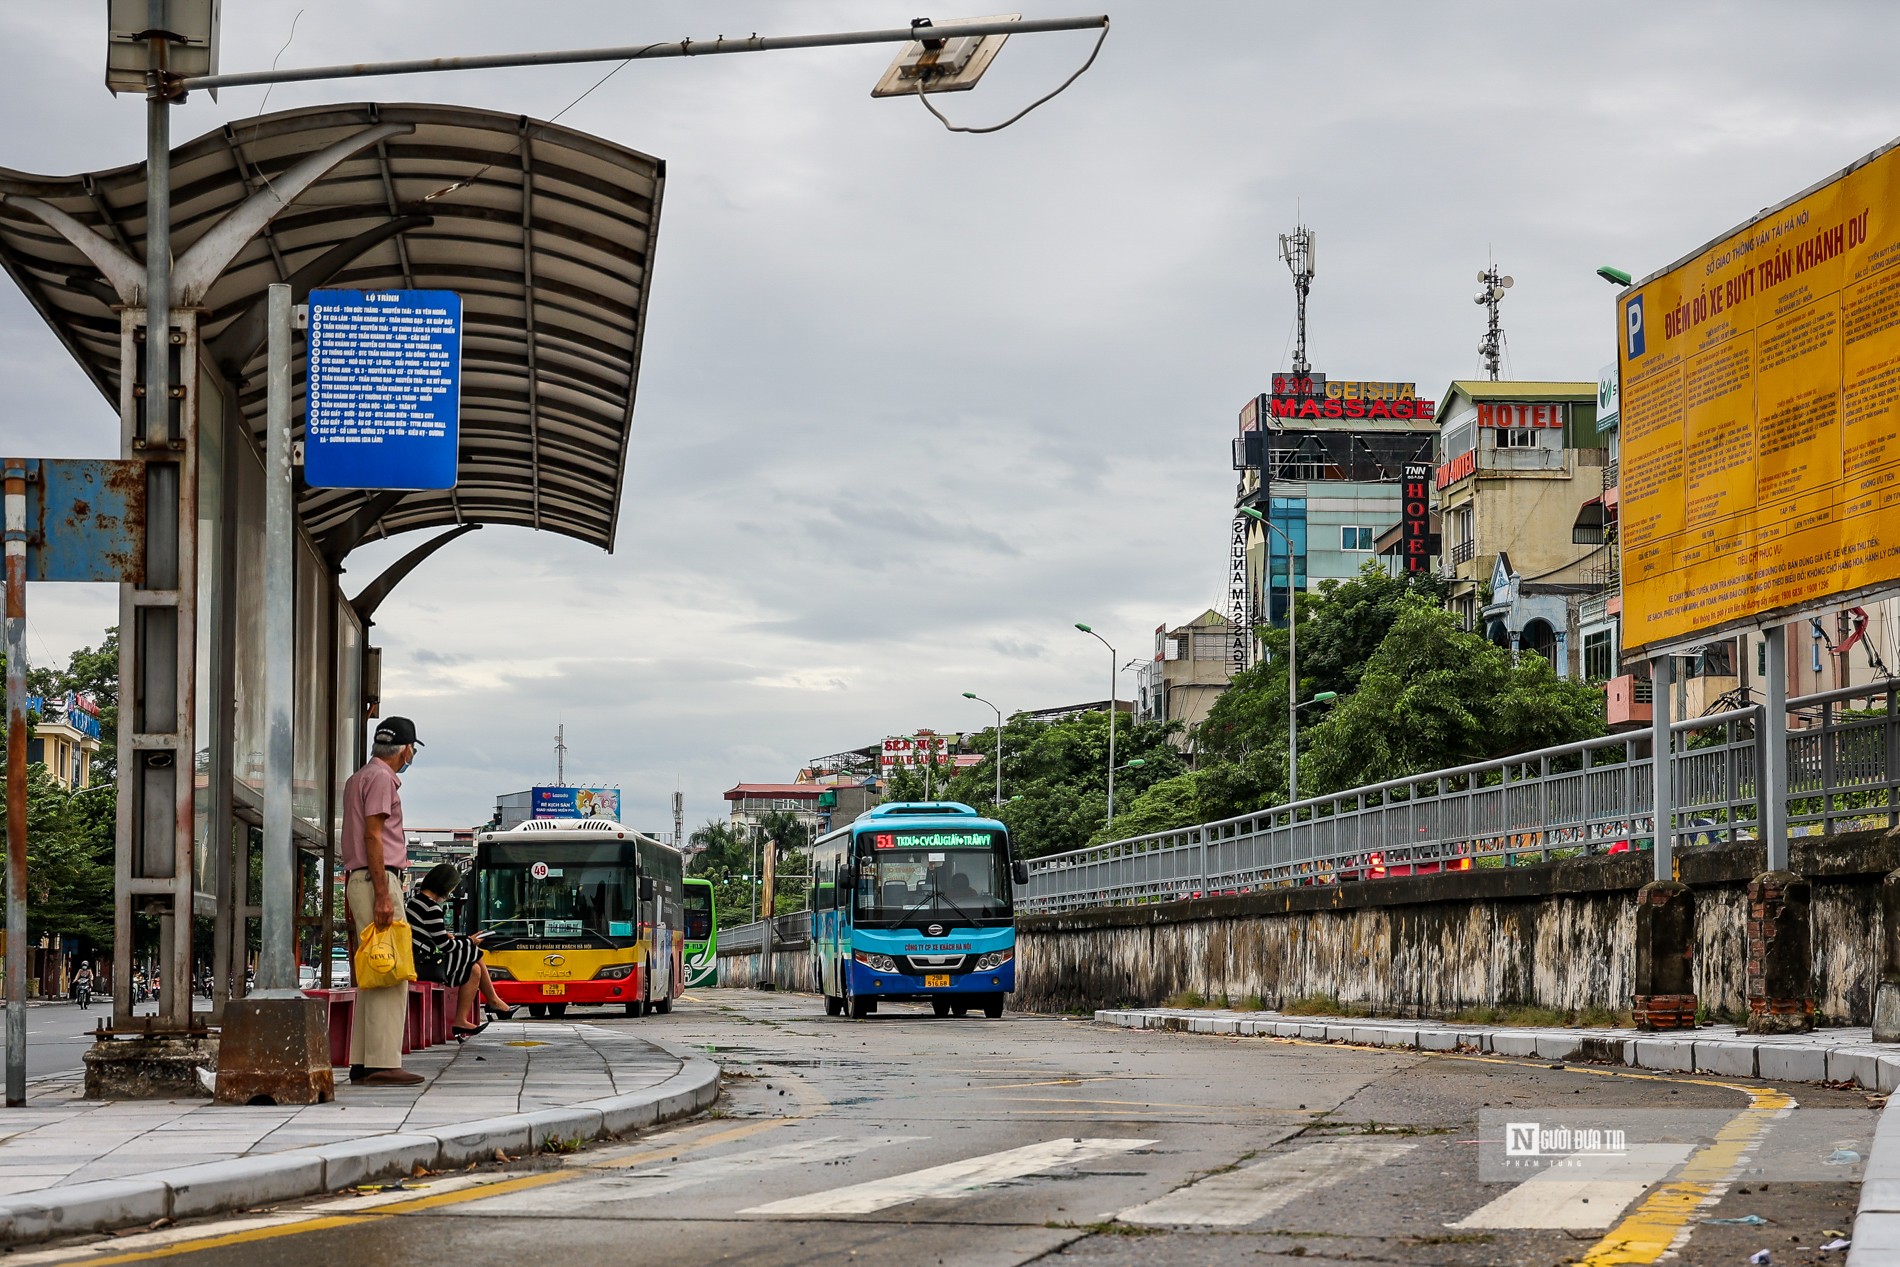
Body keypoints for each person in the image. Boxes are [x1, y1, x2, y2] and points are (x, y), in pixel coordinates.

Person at [341, 716, 425, 1087]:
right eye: (411, 750)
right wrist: (382, 895)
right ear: (406, 749)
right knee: (391, 972)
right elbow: (374, 837)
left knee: (374, 968)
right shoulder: (380, 780)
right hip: (379, 878)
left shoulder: (358, 777)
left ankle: (363, 1060)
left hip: (360, 878)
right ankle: (383, 1062)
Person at [406, 862, 515, 1037]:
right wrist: (469, 941)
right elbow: (445, 946)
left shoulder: (415, 902)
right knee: (472, 951)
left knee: (474, 969)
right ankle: (493, 1001)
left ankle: (466, 1019)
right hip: (426, 964)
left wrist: (461, 940)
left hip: (418, 957)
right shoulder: (432, 908)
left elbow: (429, 935)